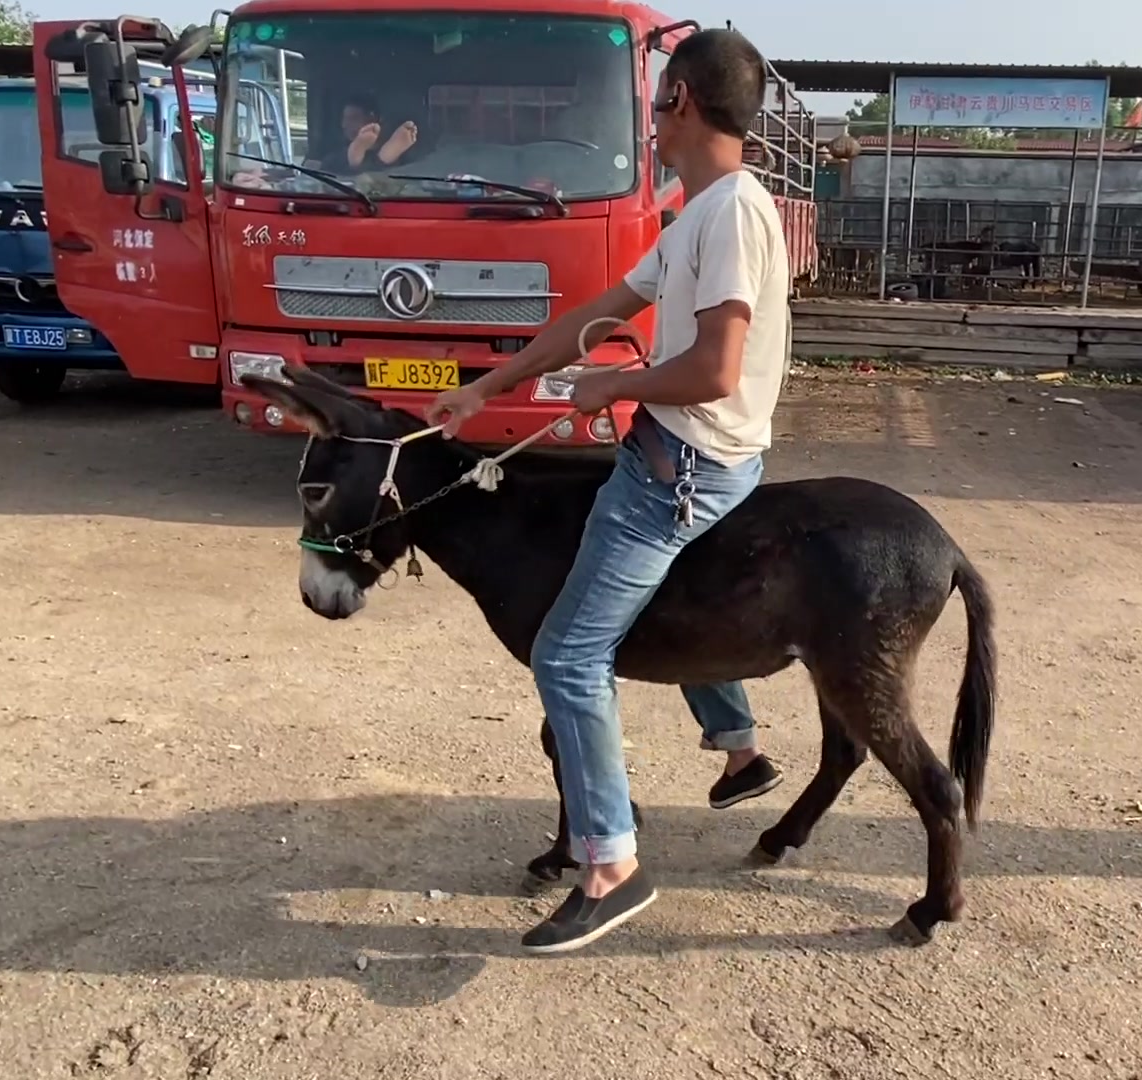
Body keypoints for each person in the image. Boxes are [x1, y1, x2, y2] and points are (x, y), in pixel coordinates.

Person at [427, 28, 790, 954]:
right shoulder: (698, 213)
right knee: (615, 597)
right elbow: (595, 317)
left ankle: (612, 865)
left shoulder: (730, 216)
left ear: (682, 103)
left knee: (566, 655)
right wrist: (487, 387)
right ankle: (738, 744)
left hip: (684, 464)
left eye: (657, 104)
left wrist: (615, 386)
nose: (652, 124)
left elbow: (715, 368)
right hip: (681, 456)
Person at [306, 94, 417, 174]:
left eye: (352, 119)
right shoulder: (333, 151)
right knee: (334, 161)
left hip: (385, 189)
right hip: (345, 184)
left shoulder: (406, 155)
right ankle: (381, 159)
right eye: (344, 119)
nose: (344, 125)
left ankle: (361, 159)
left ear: (372, 119)